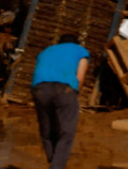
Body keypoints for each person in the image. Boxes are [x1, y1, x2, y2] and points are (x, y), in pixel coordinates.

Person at [31, 33, 89, 169]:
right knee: (66, 133)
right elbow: (80, 77)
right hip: (64, 88)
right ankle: (56, 166)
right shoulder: (80, 51)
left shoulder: (46, 51)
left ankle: (53, 161)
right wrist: (74, 95)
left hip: (40, 88)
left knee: (46, 131)